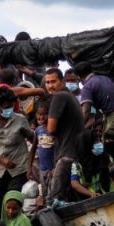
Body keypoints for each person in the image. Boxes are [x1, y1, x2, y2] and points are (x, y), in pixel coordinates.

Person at [72, 61, 114, 180]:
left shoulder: (87, 87)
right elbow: (91, 113)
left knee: (107, 143)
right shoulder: (103, 78)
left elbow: (86, 111)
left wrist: (77, 129)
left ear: (78, 77)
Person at [0, 86, 34, 212]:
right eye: (6, 107)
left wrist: (30, 165)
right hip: (0, 170)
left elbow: (33, 139)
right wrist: (0, 160)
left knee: (13, 200)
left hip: (19, 167)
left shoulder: (20, 120)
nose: (10, 109)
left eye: (11, 106)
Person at [44, 68, 86, 206]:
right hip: (75, 156)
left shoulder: (59, 96)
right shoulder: (71, 97)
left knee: (52, 203)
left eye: (53, 81)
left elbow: (50, 128)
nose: (50, 86)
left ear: (62, 81)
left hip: (66, 157)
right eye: (47, 82)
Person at [70, 134, 114, 200]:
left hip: (112, 193)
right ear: (86, 145)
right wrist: (90, 193)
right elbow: (75, 184)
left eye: (99, 140)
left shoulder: (106, 157)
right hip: (93, 198)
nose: (99, 143)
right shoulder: (77, 164)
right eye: (96, 141)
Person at [26, 99, 55, 203]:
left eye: (44, 114)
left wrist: (55, 167)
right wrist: (29, 168)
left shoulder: (54, 130)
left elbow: (59, 149)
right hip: (42, 170)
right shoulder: (38, 131)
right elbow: (33, 150)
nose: (41, 117)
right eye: (38, 114)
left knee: (54, 193)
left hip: (53, 170)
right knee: (45, 192)